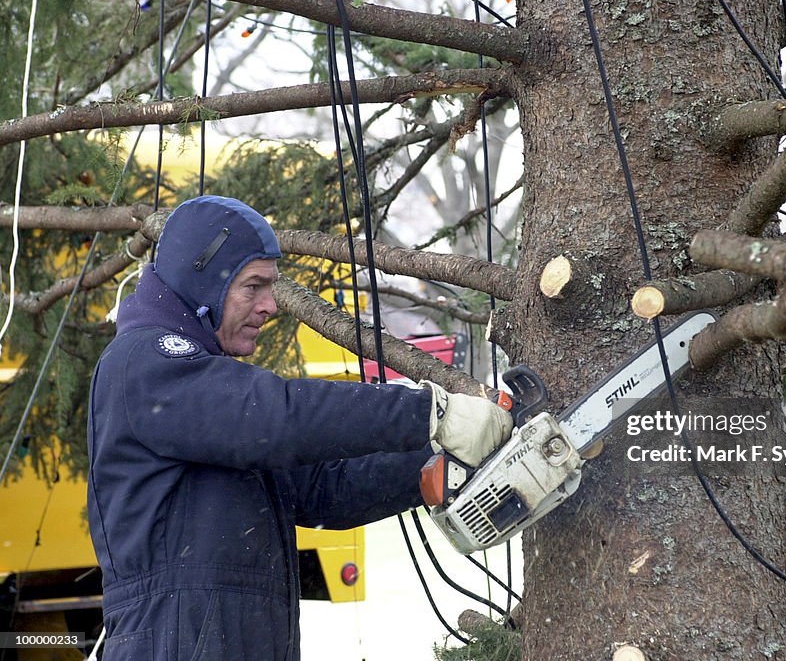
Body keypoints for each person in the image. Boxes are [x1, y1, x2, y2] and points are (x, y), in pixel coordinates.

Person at [86, 195, 513, 660]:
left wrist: (444, 462)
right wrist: (432, 414)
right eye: (253, 286)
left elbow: (323, 489)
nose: (270, 306)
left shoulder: (208, 410)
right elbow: (278, 414)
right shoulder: (147, 361)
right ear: (203, 279)